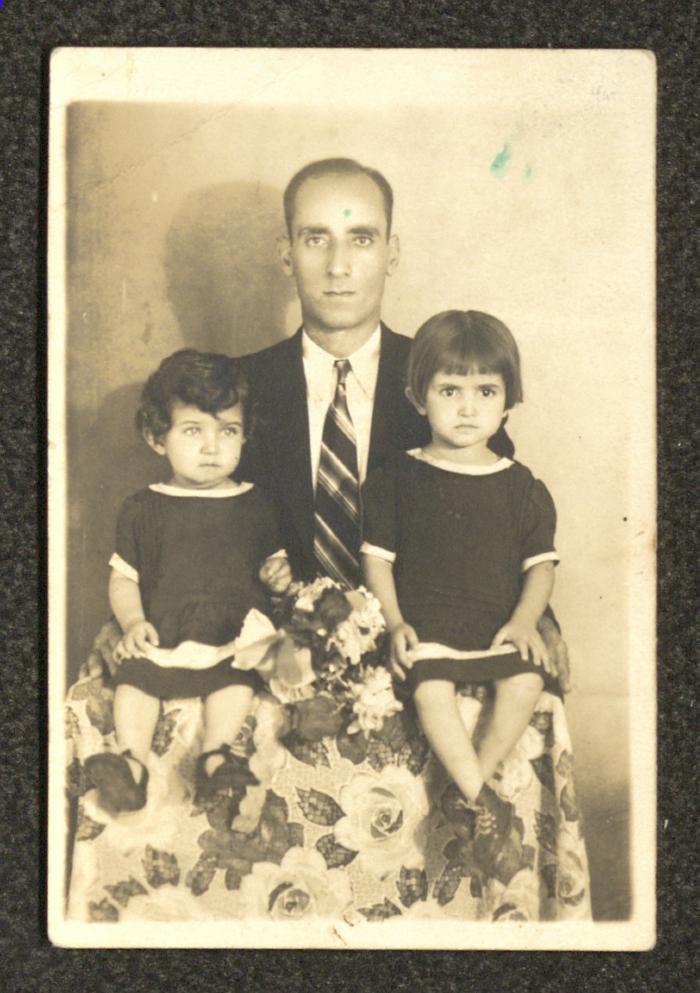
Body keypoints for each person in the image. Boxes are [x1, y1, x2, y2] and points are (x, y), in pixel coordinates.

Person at [239, 157, 567, 681]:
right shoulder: (240, 391)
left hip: (419, 648)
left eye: (362, 239)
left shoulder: (451, 386)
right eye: (316, 239)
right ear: (286, 254)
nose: (338, 266)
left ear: (392, 254)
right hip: (278, 656)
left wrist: (538, 618)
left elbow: (496, 518)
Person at [362, 311, 561, 860]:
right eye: (450, 390)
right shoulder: (396, 479)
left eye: (485, 391)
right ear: (418, 398)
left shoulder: (522, 487)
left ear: (508, 400)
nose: (468, 407)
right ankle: (479, 797)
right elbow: (377, 564)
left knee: (526, 682)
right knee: (431, 690)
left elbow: (539, 568)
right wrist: (396, 622)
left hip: (494, 626)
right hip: (429, 626)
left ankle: (472, 782)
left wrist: (522, 622)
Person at [85, 350, 291, 815]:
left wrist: (277, 578)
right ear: (158, 438)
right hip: (167, 630)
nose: (213, 447)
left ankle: (215, 755)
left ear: (244, 436)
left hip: (230, 634)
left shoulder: (255, 503)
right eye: (193, 430)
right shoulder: (142, 508)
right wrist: (134, 622)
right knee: (135, 680)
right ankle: (132, 764)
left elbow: (274, 565)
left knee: (236, 680)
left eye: (228, 431)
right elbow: (124, 578)